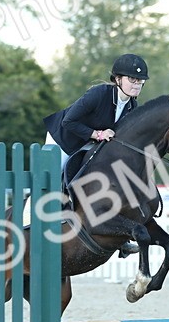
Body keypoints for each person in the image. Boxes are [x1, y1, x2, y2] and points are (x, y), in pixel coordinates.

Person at [42, 53, 149, 255]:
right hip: (65, 139)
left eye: (140, 81)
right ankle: (43, 222)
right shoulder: (99, 94)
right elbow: (69, 122)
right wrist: (98, 134)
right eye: (132, 80)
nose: (136, 84)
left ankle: (120, 236)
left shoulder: (132, 106)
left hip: (90, 143)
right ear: (118, 79)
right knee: (58, 176)